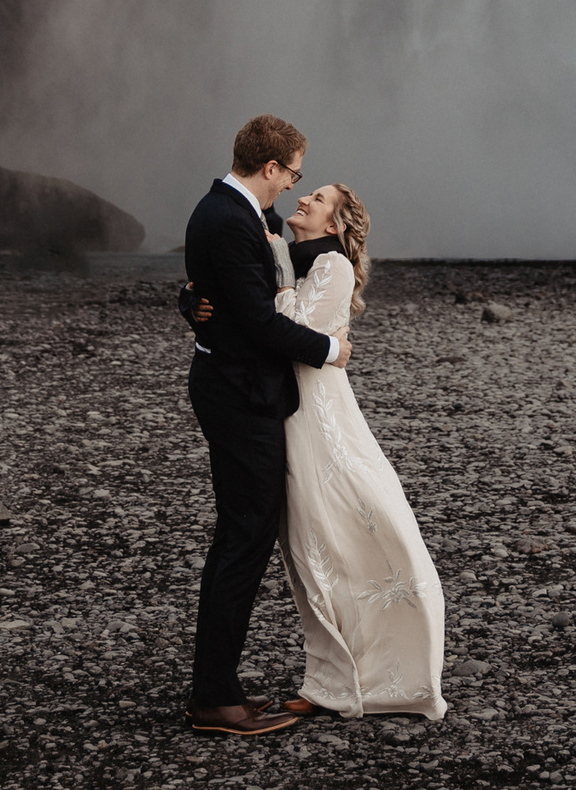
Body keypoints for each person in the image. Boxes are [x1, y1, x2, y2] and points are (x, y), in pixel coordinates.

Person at [179, 114, 351, 736]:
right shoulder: (227, 218)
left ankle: (217, 687)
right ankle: (216, 697)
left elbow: (236, 285)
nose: (293, 188)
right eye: (294, 174)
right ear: (271, 167)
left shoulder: (244, 215)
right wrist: (332, 351)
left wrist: (193, 301)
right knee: (245, 537)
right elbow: (256, 320)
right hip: (238, 395)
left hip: (239, 389)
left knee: (241, 536)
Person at [271, 181, 447, 720]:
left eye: (317, 198)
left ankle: (371, 676)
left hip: (321, 424)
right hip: (297, 419)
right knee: (312, 552)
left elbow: (293, 329)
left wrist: (274, 266)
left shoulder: (332, 267)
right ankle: (335, 679)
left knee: (342, 540)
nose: (303, 199)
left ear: (334, 226)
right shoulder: (305, 265)